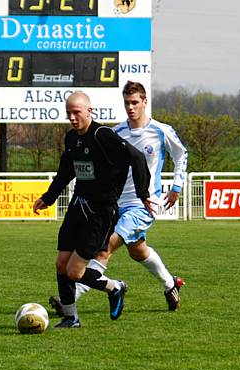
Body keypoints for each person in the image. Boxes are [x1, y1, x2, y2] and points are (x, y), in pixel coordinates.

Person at [49, 81, 188, 315]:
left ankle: (71, 301)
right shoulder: (115, 133)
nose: (131, 107)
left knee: (104, 249)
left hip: (143, 204)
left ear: (145, 102)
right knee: (138, 250)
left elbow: (181, 154)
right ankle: (170, 284)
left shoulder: (161, 131)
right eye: (127, 103)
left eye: (135, 102)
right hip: (115, 204)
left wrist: (176, 187)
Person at [33, 91, 153, 328]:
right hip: (78, 206)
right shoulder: (71, 139)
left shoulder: (103, 135)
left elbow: (137, 158)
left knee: (75, 272)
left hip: (101, 212)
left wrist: (143, 194)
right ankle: (71, 317)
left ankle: (114, 287)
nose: (72, 117)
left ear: (90, 111)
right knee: (61, 264)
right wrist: (48, 197)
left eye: (76, 112)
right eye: (68, 113)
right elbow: (66, 172)